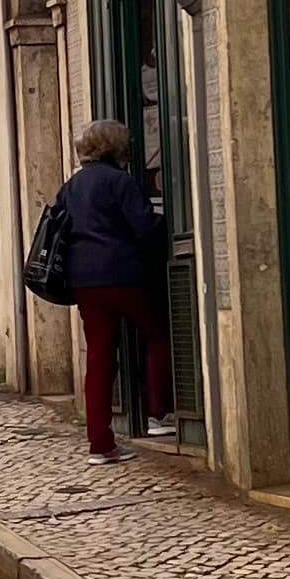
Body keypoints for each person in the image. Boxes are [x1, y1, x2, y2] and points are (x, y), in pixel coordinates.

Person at [59, 115, 172, 461]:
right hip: (124, 275)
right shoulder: (121, 182)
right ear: (115, 147)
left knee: (99, 357)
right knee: (157, 333)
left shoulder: (71, 187)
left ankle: (100, 444)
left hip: (84, 280)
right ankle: (158, 414)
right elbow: (145, 229)